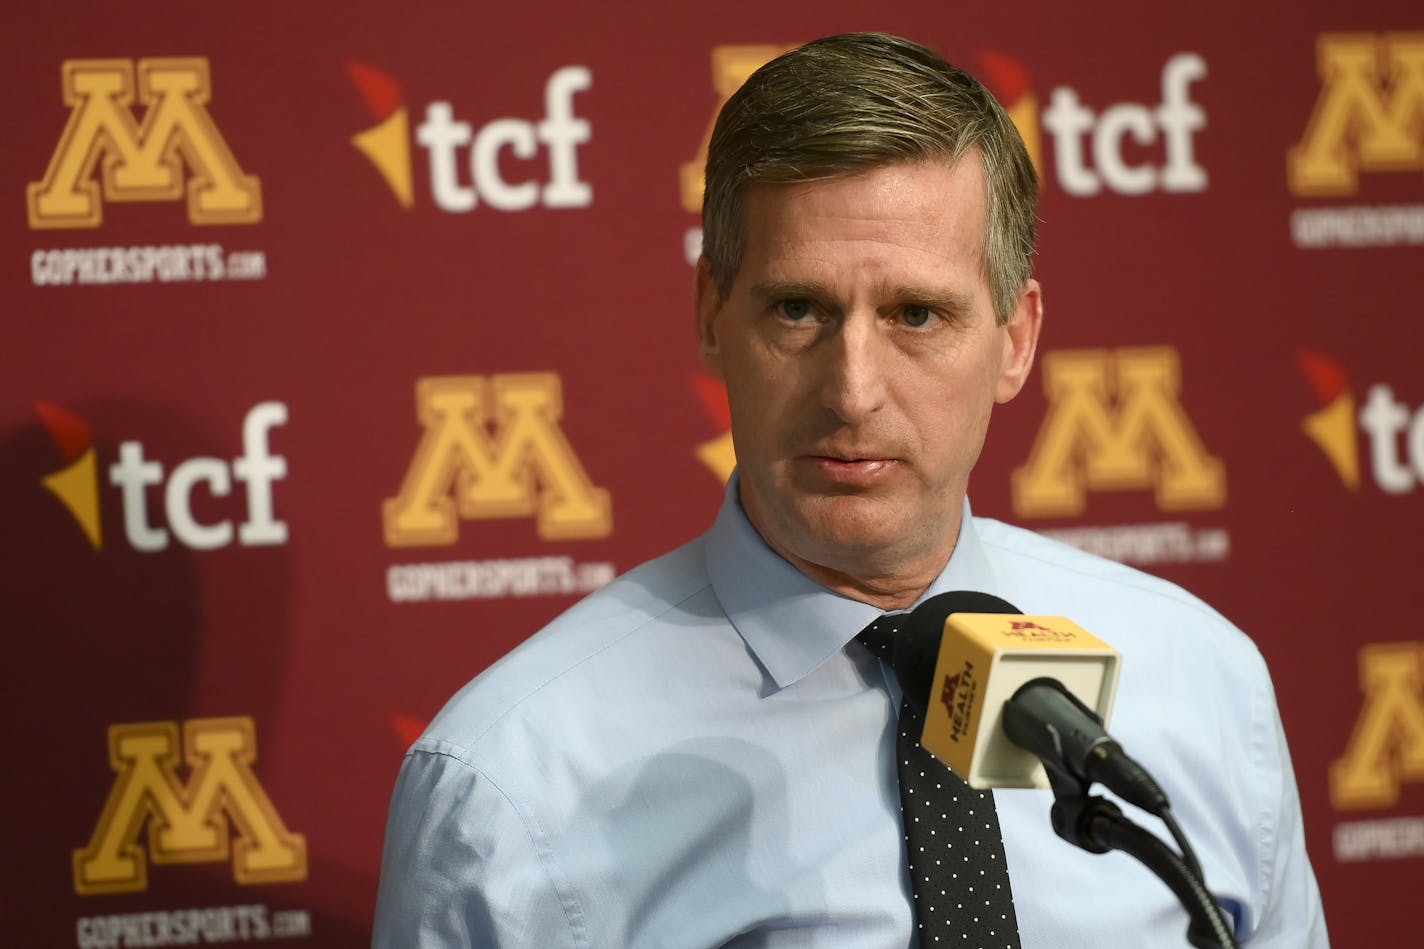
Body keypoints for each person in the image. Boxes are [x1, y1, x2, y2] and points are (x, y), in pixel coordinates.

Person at [372, 32, 1328, 947]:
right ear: (713, 316)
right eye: (798, 309)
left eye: (918, 314)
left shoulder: (1202, 679)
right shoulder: (511, 782)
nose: (853, 392)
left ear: (1017, 337)